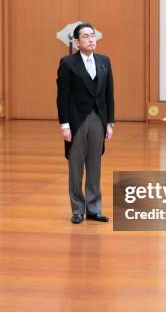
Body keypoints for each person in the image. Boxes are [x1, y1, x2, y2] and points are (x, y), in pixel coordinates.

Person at [56, 23, 115, 224]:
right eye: (86, 36)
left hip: (98, 119)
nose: (91, 39)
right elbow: (62, 97)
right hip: (76, 121)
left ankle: (94, 208)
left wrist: (109, 122)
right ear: (76, 42)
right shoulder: (67, 63)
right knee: (75, 166)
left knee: (94, 165)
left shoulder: (104, 61)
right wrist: (64, 124)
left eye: (93, 35)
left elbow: (109, 95)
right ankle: (77, 209)